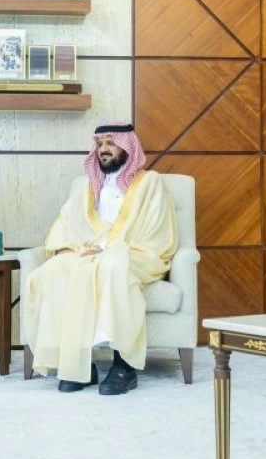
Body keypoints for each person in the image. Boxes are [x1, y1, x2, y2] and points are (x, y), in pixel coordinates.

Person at [23, 123, 178, 395]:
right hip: (88, 252)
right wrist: (68, 247)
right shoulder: (87, 186)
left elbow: (156, 230)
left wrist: (110, 249)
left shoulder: (149, 183)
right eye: (99, 144)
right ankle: (79, 366)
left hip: (136, 254)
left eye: (110, 142)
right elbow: (67, 222)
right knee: (55, 271)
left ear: (127, 147)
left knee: (113, 266)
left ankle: (124, 366)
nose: (103, 149)